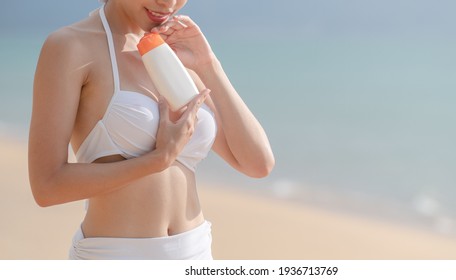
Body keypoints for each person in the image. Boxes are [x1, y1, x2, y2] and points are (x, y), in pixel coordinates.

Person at [28, 0, 274, 260]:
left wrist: (208, 64)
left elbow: (258, 163)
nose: (168, 2)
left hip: (196, 252)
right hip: (116, 258)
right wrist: (158, 160)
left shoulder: (179, 51)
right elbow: (47, 187)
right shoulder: (71, 47)